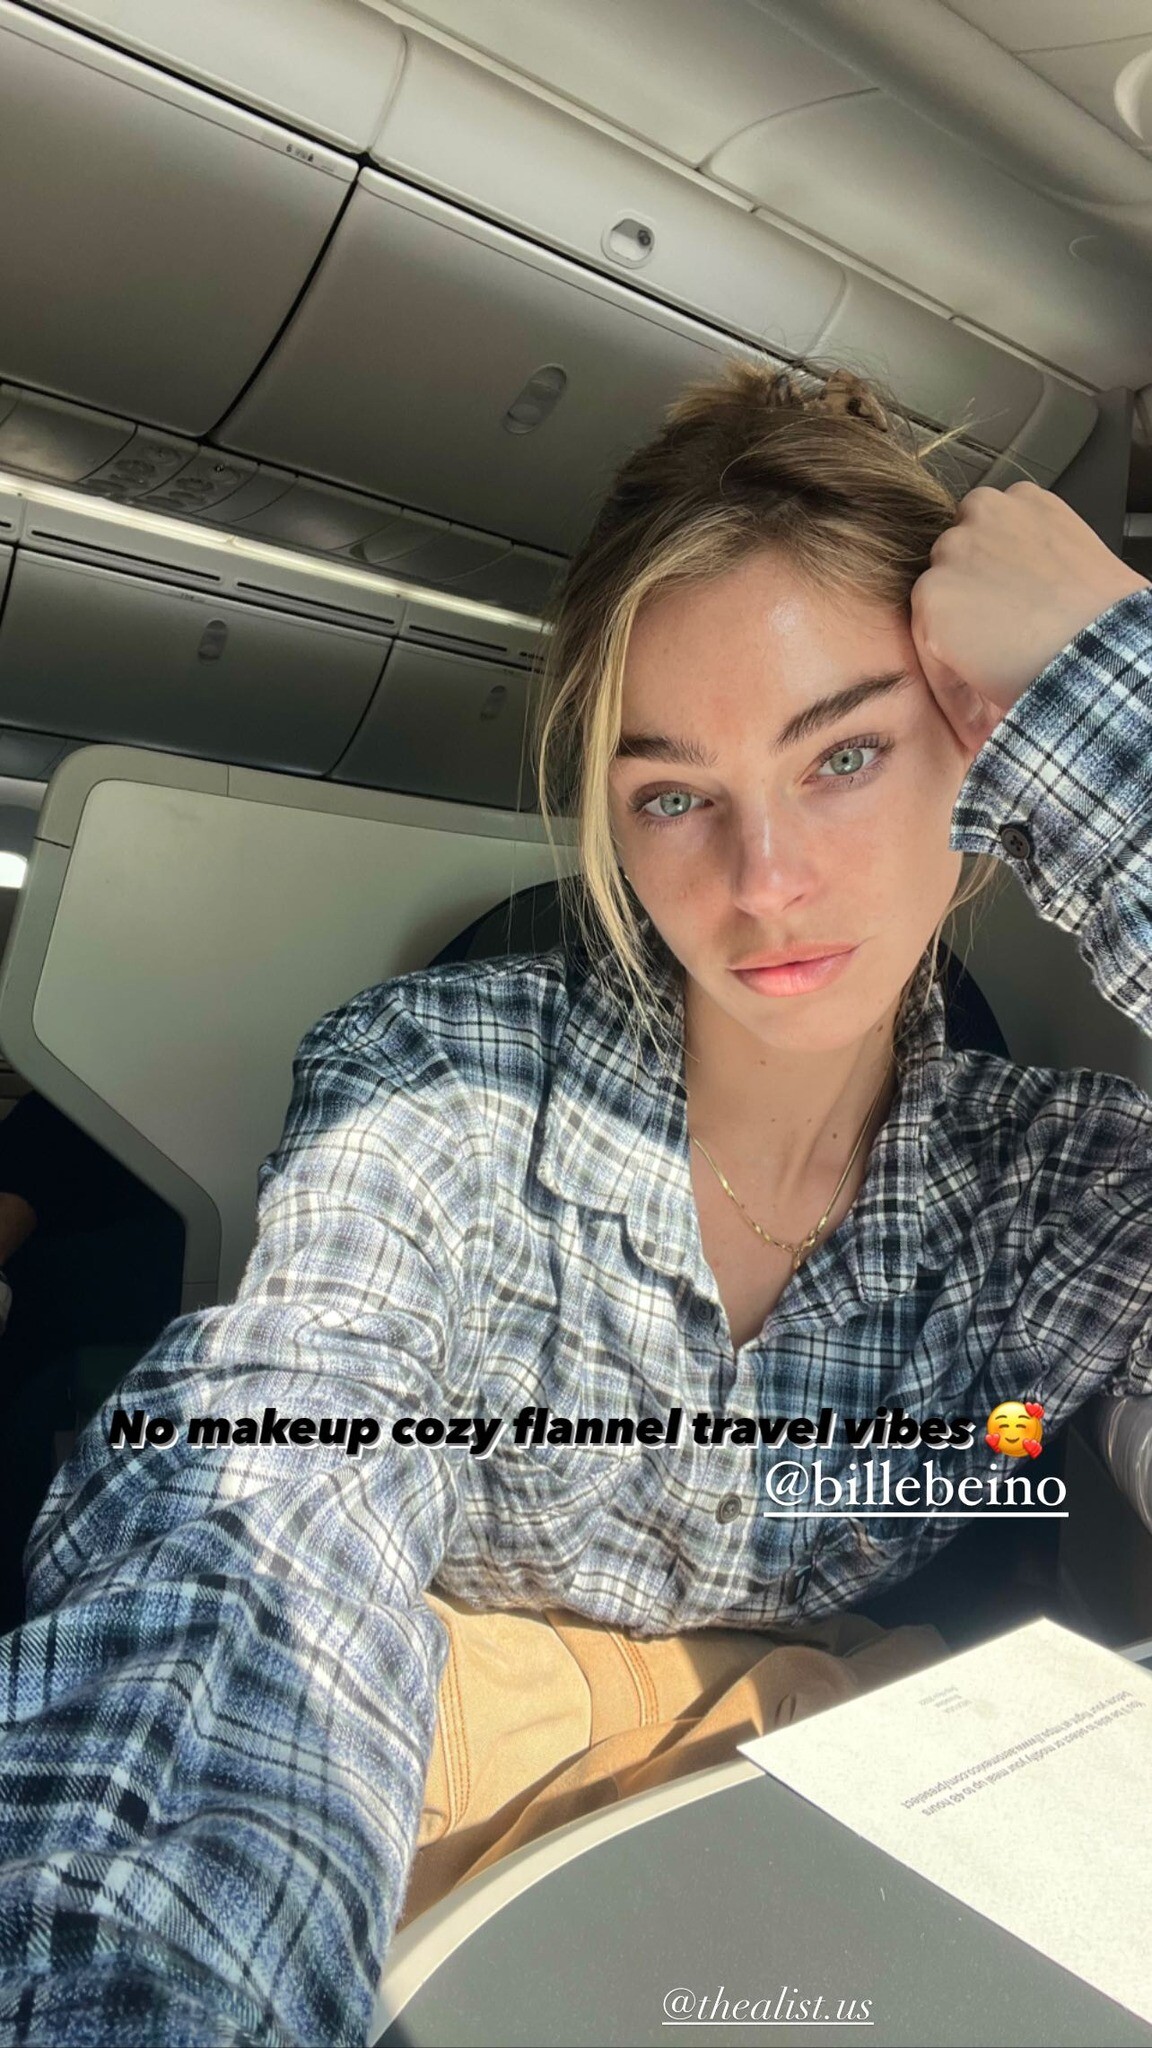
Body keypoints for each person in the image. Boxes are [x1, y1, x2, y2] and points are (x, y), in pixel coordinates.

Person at [0, 360, 1149, 2045]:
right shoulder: (438, 1087)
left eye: (843, 754)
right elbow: (267, 1497)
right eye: (674, 795)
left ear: (984, 750)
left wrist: (1115, 703)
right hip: (435, 1798)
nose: (764, 884)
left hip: (828, 1837)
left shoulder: (1055, 1186)